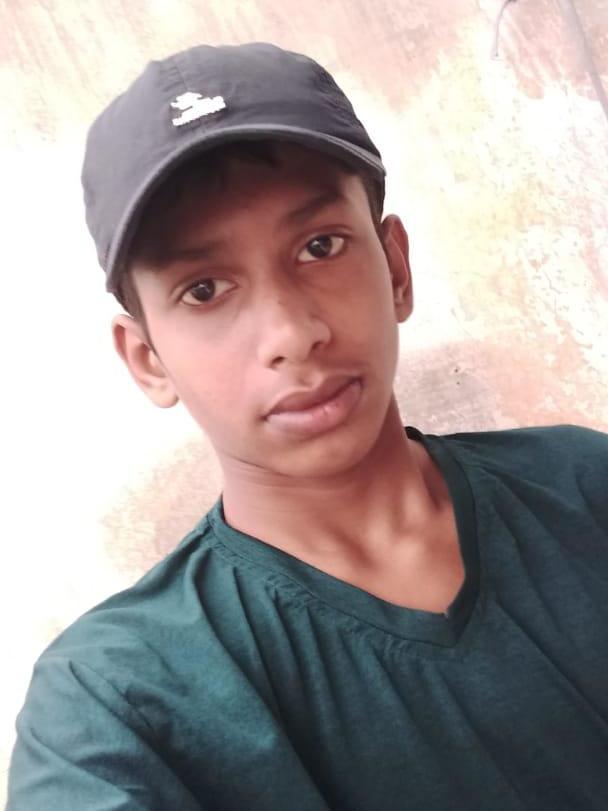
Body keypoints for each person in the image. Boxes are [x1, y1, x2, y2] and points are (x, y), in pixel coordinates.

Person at [6, 42, 608, 811]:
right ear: (148, 358)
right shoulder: (113, 705)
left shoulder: (585, 489)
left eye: (319, 247)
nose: (292, 332)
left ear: (395, 268)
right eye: (204, 289)